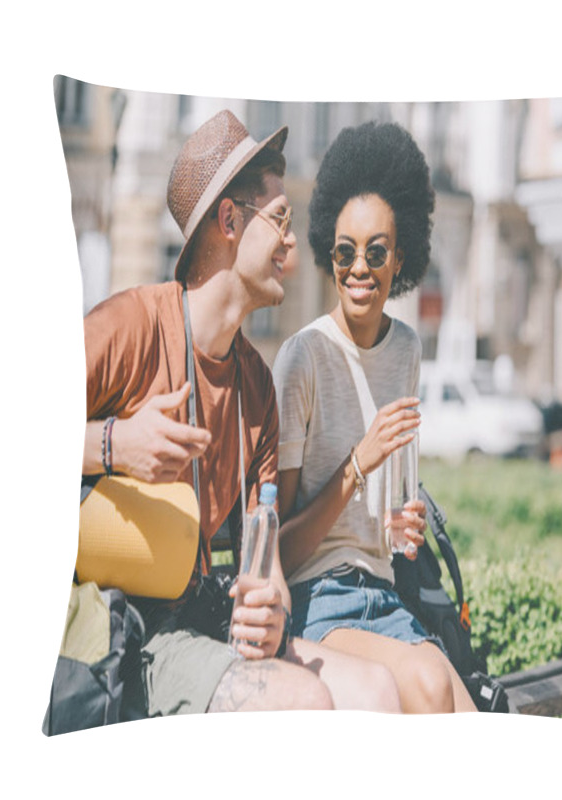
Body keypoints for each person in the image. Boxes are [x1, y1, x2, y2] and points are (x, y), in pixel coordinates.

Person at [82, 110, 401, 717]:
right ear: (229, 220)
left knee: (378, 692)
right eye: (279, 220)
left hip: (209, 620)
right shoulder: (128, 325)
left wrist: (271, 605)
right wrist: (115, 445)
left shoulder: (256, 384)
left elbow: (266, 551)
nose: (291, 241)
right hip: (127, 636)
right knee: (303, 702)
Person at [273, 121, 477, 713]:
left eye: (376, 251)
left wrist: (399, 532)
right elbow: (280, 554)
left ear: (400, 257)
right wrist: (358, 464)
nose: (358, 268)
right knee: (430, 683)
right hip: (317, 604)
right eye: (344, 252)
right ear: (328, 254)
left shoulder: (408, 350)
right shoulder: (303, 358)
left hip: (384, 599)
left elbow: (388, 526)